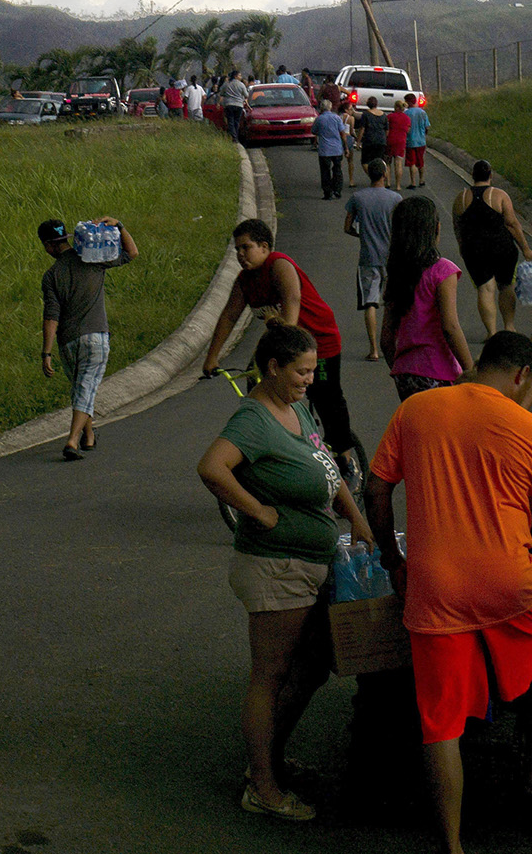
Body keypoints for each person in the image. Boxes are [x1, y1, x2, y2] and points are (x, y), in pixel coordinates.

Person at [364, 331, 532, 854]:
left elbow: (376, 487)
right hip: (508, 582)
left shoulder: (416, 409)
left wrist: (392, 559)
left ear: (481, 362)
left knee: (441, 723)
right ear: (523, 376)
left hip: (435, 585)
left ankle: (452, 845)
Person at [196, 323, 377, 823]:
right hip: (276, 567)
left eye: (313, 370)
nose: (309, 379)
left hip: (309, 562)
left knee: (312, 666)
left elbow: (326, 467)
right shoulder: (253, 418)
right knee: (270, 676)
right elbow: (212, 468)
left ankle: (269, 760)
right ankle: (262, 786)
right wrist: (259, 512)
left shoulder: (296, 406)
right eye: (301, 371)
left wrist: (356, 517)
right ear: (272, 368)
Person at [201, 218, 359, 476]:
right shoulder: (244, 281)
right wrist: (212, 357)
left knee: (326, 396)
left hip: (318, 342)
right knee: (259, 389)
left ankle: (346, 461)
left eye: (246, 247)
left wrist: (281, 347)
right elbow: (229, 316)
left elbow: (292, 301)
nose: (240, 254)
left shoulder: (279, 265)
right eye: (237, 249)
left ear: (264, 247)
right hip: (285, 346)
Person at [38, 215, 139, 460]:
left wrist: (46, 352)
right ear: (65, 238)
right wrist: (120, 225)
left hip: (68, 342)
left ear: (48, 245)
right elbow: (132, 253)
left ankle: (84, 437)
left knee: (82, 388)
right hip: (95, 337)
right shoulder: (92, 257)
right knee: (86, 388)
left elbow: (51, 316)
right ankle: (76, 439)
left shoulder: (51, 276)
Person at [380, 195, 473, 401]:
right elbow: (450, 327)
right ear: (436, 229)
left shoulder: (397, 273)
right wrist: (471, 370)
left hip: (405, 372)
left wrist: (400, 366)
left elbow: (386, 337)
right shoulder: (442, 270)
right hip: (438, 370)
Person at [451, 159, 532, 339]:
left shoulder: (461, 198)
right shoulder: (499, 195)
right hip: (502, 248)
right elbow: (512, 224)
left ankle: (491, 332)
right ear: (490, 175)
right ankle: (509, 327)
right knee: (506, 286)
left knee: (485, 289)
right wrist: (526, 248)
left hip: (474, 250)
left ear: (473, 175)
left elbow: (458, 227)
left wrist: (461, 247)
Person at [343, 165, 401, 361]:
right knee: (394, 302)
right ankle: (394, 346)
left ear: (369, 174)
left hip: (368, 257)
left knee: (370, 302)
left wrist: (362, 235)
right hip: (391, 258)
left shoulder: (357, 198)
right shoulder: (395, 199)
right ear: (385, 174)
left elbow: (347, 227)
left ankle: (374, 349)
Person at [313, 98, 348, 200]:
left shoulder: (319, 119)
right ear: (330, 107)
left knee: (325, 171)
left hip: (324, 149)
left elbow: (314, 131)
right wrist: (346, 147)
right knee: (337, 169)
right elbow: (343, 134)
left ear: (321, 108)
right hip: (337, 148)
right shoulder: (337, 118)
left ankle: (327, 193)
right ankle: (337, 189)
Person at [355, 100, 389, 188]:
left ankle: (375, 177)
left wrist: (358, 141)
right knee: (381, 161)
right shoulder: (383, 115)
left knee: (365, 161)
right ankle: (384, 178)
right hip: (381, 141)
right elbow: (386, 129)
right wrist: (384, 138)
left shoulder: (366, 114)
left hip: (369, 140)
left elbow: (362, 129)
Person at [385, 98, 413, 189]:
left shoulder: (390, 116)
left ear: (396, 107)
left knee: (388, 162)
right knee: (398, 163)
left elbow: (386, 128)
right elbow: (408, 130)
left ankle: (388, 182)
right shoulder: (407, 118)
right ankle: (398, 185)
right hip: (401, 141)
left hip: (390, 140)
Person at [403, 99, 430, 188]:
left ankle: (413, 182)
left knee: (412, 162)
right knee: (420, 161)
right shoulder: (422, 112)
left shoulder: (406, 113)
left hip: (410, 141)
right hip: (421, 141)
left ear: (409, 102)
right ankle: (421, 180)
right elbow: (427, 126)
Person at [222, 72, 251, 143]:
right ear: (235, 76)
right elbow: (246, 95)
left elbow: (222, 93)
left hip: (229, 104)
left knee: (230, 121)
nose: (241, 77)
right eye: (239, 75)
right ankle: (235, 136)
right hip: (239, 105)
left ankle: (233, 136)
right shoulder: (241, 85)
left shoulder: (226, 84)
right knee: (236, 121)